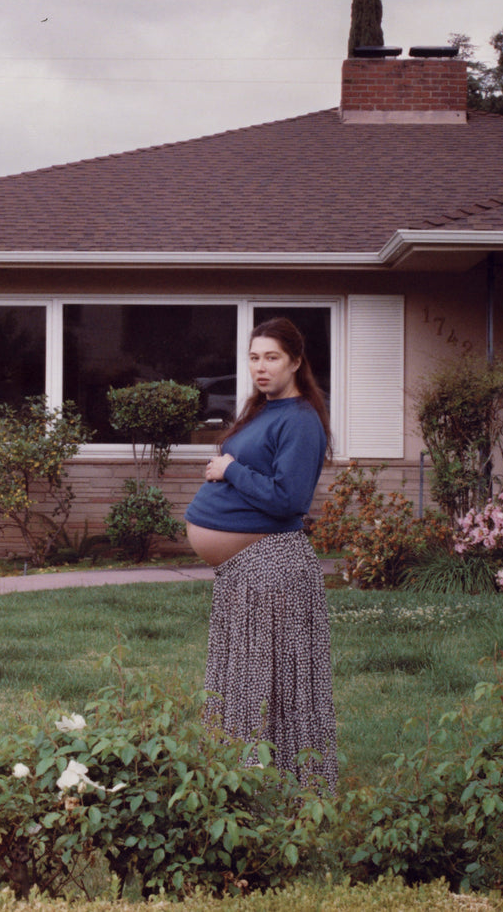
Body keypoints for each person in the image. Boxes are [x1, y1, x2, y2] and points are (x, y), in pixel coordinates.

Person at [184, 317, 338, 793]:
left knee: (267, 684)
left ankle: (283, 784)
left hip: (271, 568)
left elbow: (289, 500)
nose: (260, 367)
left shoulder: (301, 419)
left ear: (295, 361)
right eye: (254, 357)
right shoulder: (263, 410)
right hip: (246, 570)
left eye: (272, 357)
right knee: (244, 679)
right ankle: (237, 779)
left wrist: (230, 470)